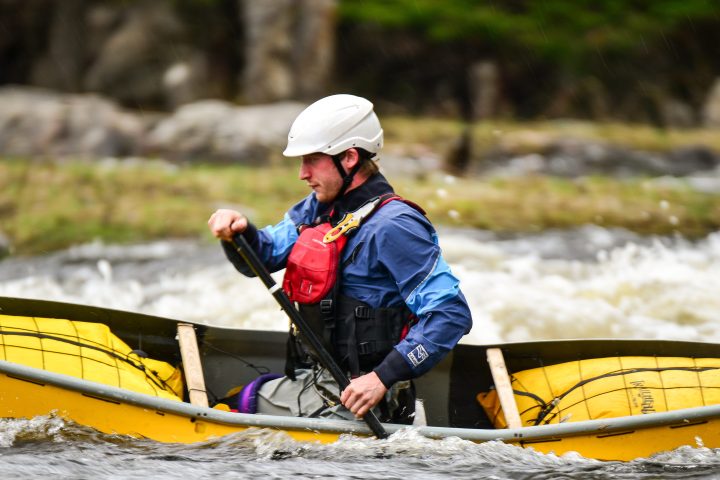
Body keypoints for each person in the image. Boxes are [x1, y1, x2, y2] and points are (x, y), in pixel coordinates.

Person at [208, 94, 472, 424]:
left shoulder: (395, 227)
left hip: (369, 403)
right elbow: (259, 258)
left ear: (348, 158)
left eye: (312, 160)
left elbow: (450, 314)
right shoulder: (318, 208)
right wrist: (240, 231)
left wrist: (381, 378)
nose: (302, 173)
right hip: (316, 384)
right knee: (233, 404)